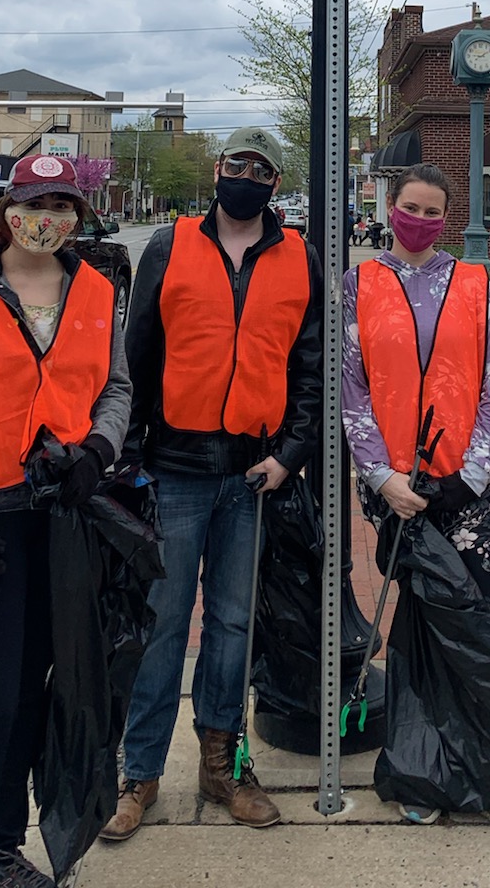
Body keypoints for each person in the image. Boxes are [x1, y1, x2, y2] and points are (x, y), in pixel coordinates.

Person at [102, 126, 323, 841]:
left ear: (274, 182)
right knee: (163, 624)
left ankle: (223, 764)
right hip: (175, 470)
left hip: (252, 474)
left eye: (261, 169)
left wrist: (290, 453)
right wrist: (128, 460)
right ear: (218, 170)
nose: (246, 176)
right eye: (237, 164)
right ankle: (138, 775)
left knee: (233, 624)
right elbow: (135, 358)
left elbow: (311, 370)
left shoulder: (300, 259)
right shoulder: (168, 246)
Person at [0, 153, 132, 888]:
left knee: (42, 685)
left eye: (64, 205)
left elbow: (117, 387)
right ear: (8, 209)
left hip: (64, 518)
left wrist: (98, 448)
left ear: (80, 215)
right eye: (35, 203)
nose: (48, 219)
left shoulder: (97, 290)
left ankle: (3, 847)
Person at [341, 162, 490, 842]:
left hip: (469, 493)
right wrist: (381, 477)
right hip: (399, 492)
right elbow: (351, 388)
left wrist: (474, 474)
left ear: (446, 220)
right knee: (420, 629)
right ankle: (421, 769)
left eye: (433, 212)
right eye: (411, 208)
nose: (420, 221)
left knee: (478, 627)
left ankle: (487, 776)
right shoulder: (359, 284)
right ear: (389, 208)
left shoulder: (472, 283)